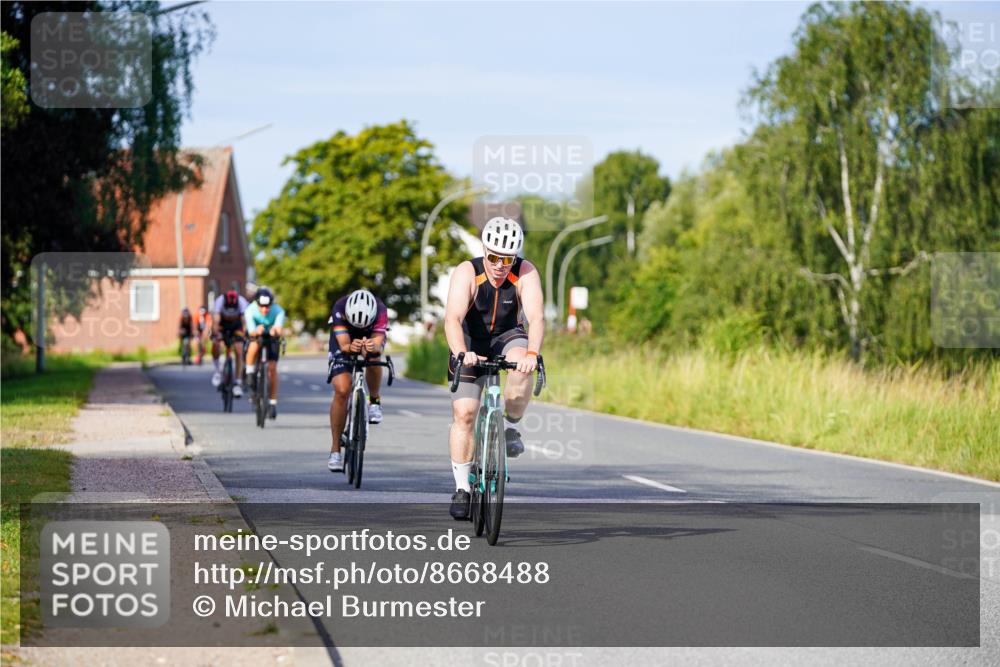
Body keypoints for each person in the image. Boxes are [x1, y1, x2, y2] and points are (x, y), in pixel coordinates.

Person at [442, 217, 544, 519]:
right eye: (493, 257)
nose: (500, 265)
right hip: (470, 340)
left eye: (507, 258)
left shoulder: (525, 272)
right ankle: (462, 488)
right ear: (484, 250)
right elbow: (452, 319)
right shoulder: (467, 272)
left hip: (506, 335)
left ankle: (511, 425)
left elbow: (536, 318)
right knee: (465, 414)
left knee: (523, 364)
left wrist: (532, 353)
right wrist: (462, 353)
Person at [325, 288, 389, 473]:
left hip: (370, 336)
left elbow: (378, 342)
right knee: (342, 390)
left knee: (374, 356)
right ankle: (335, 449)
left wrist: (372, 345)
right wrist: (349, 346)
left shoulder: (380, 309)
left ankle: (374, 401)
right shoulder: (339, 306)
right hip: (344, 338)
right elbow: (344, 344)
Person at [244, 287, 286, 419]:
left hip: (271, 337)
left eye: (267, 307)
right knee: (254, 343)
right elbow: (251, 331)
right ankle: (250, 372)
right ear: (257, 304)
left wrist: (275, 331)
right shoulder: (250, 310)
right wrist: (256, 331)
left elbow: (279, 329)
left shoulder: (278, 311)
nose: (264, 310)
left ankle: (273, 402)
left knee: (272, 368)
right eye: (261, 306)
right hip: (257, 335)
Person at [211, 289, 249, 397]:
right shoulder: (220, 301)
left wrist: (245, 334)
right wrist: (216, 334)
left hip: (236, 326)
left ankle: (237, 382)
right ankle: (217, 372)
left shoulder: (241, 301)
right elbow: (216, 320)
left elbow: (244, 321)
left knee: (239, 350)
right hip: (223, 325)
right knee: (216, 345)